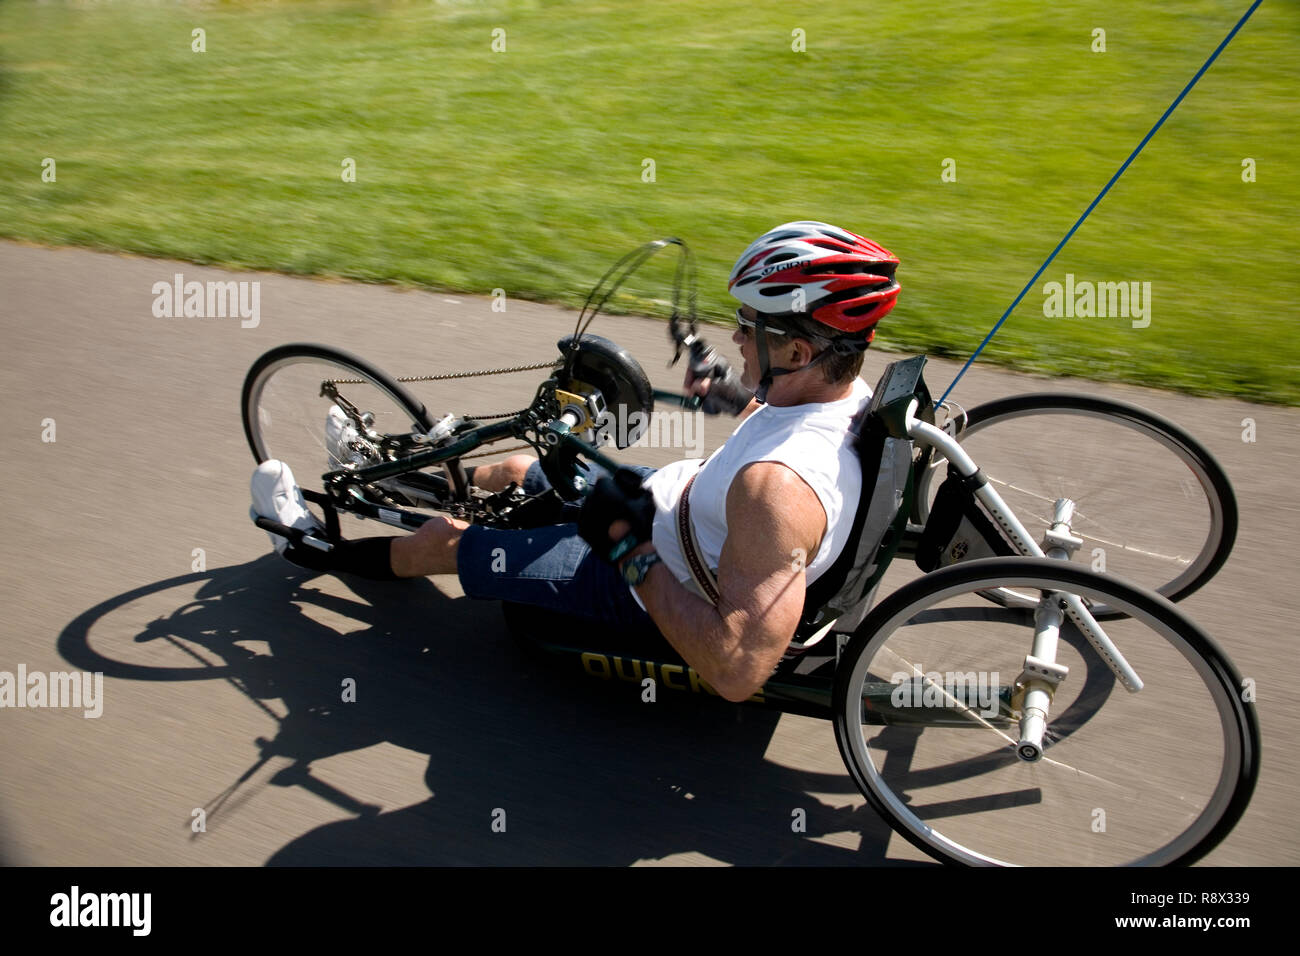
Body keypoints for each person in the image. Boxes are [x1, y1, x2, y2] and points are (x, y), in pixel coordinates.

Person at [251, 221, 900, 703]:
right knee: (512, 472)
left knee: (448, 540)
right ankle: (380, 468)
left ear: (797, 352)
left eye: (750, 323)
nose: (734, 334)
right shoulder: (845, 398)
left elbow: (736, 668)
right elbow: (782, 429)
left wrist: (626, 548)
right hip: (674, 510)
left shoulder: (774, 495)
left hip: (646, 576)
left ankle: (310, 547)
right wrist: (735, 393)